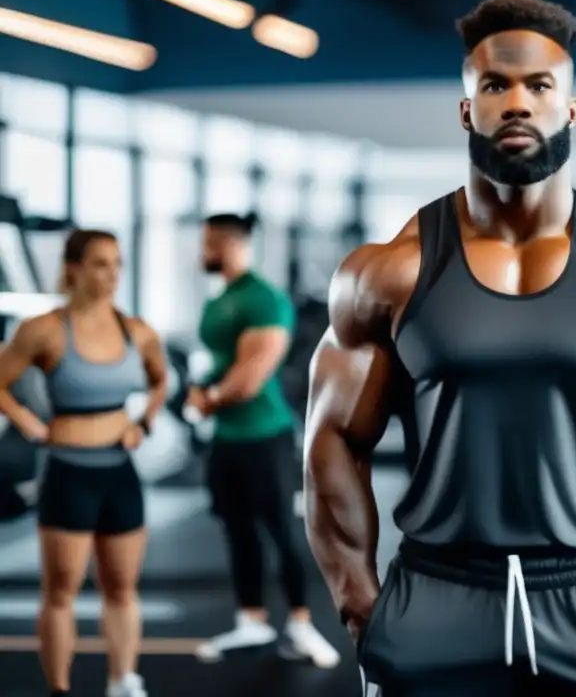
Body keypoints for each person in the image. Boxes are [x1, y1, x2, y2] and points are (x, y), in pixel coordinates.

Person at [303, 0, 576, 696]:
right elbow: (331, 439)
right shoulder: (387, 272)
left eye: (538, 86)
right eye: (493, 85)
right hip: (437, 594)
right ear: (466, 109)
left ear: (569, 109)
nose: (516, 102)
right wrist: (359, 602)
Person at [0, 230, 167, 697]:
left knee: (122, 588)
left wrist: (145, 424)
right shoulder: (44, 330)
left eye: (117, 264)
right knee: (61, 593)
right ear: (73, 269)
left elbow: (160, 381)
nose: (112, 274)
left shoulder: (138, 331)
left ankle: (123, 679)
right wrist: (29, 424)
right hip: (67, 472)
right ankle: (60, 688)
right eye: (99, 264)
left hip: (119, 472)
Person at [185, 212, 338, 668]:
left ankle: (301, 624)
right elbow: (218, 363)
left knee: (281, 531)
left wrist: (204, 401)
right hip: (227, 438)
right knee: (237, 531)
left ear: (231, 244)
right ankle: (251, 619)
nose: (204, 252)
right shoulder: (220, 299)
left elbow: (250, 377)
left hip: (264, 436)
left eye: (210, 243)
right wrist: (201, 390)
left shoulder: (265, 299)